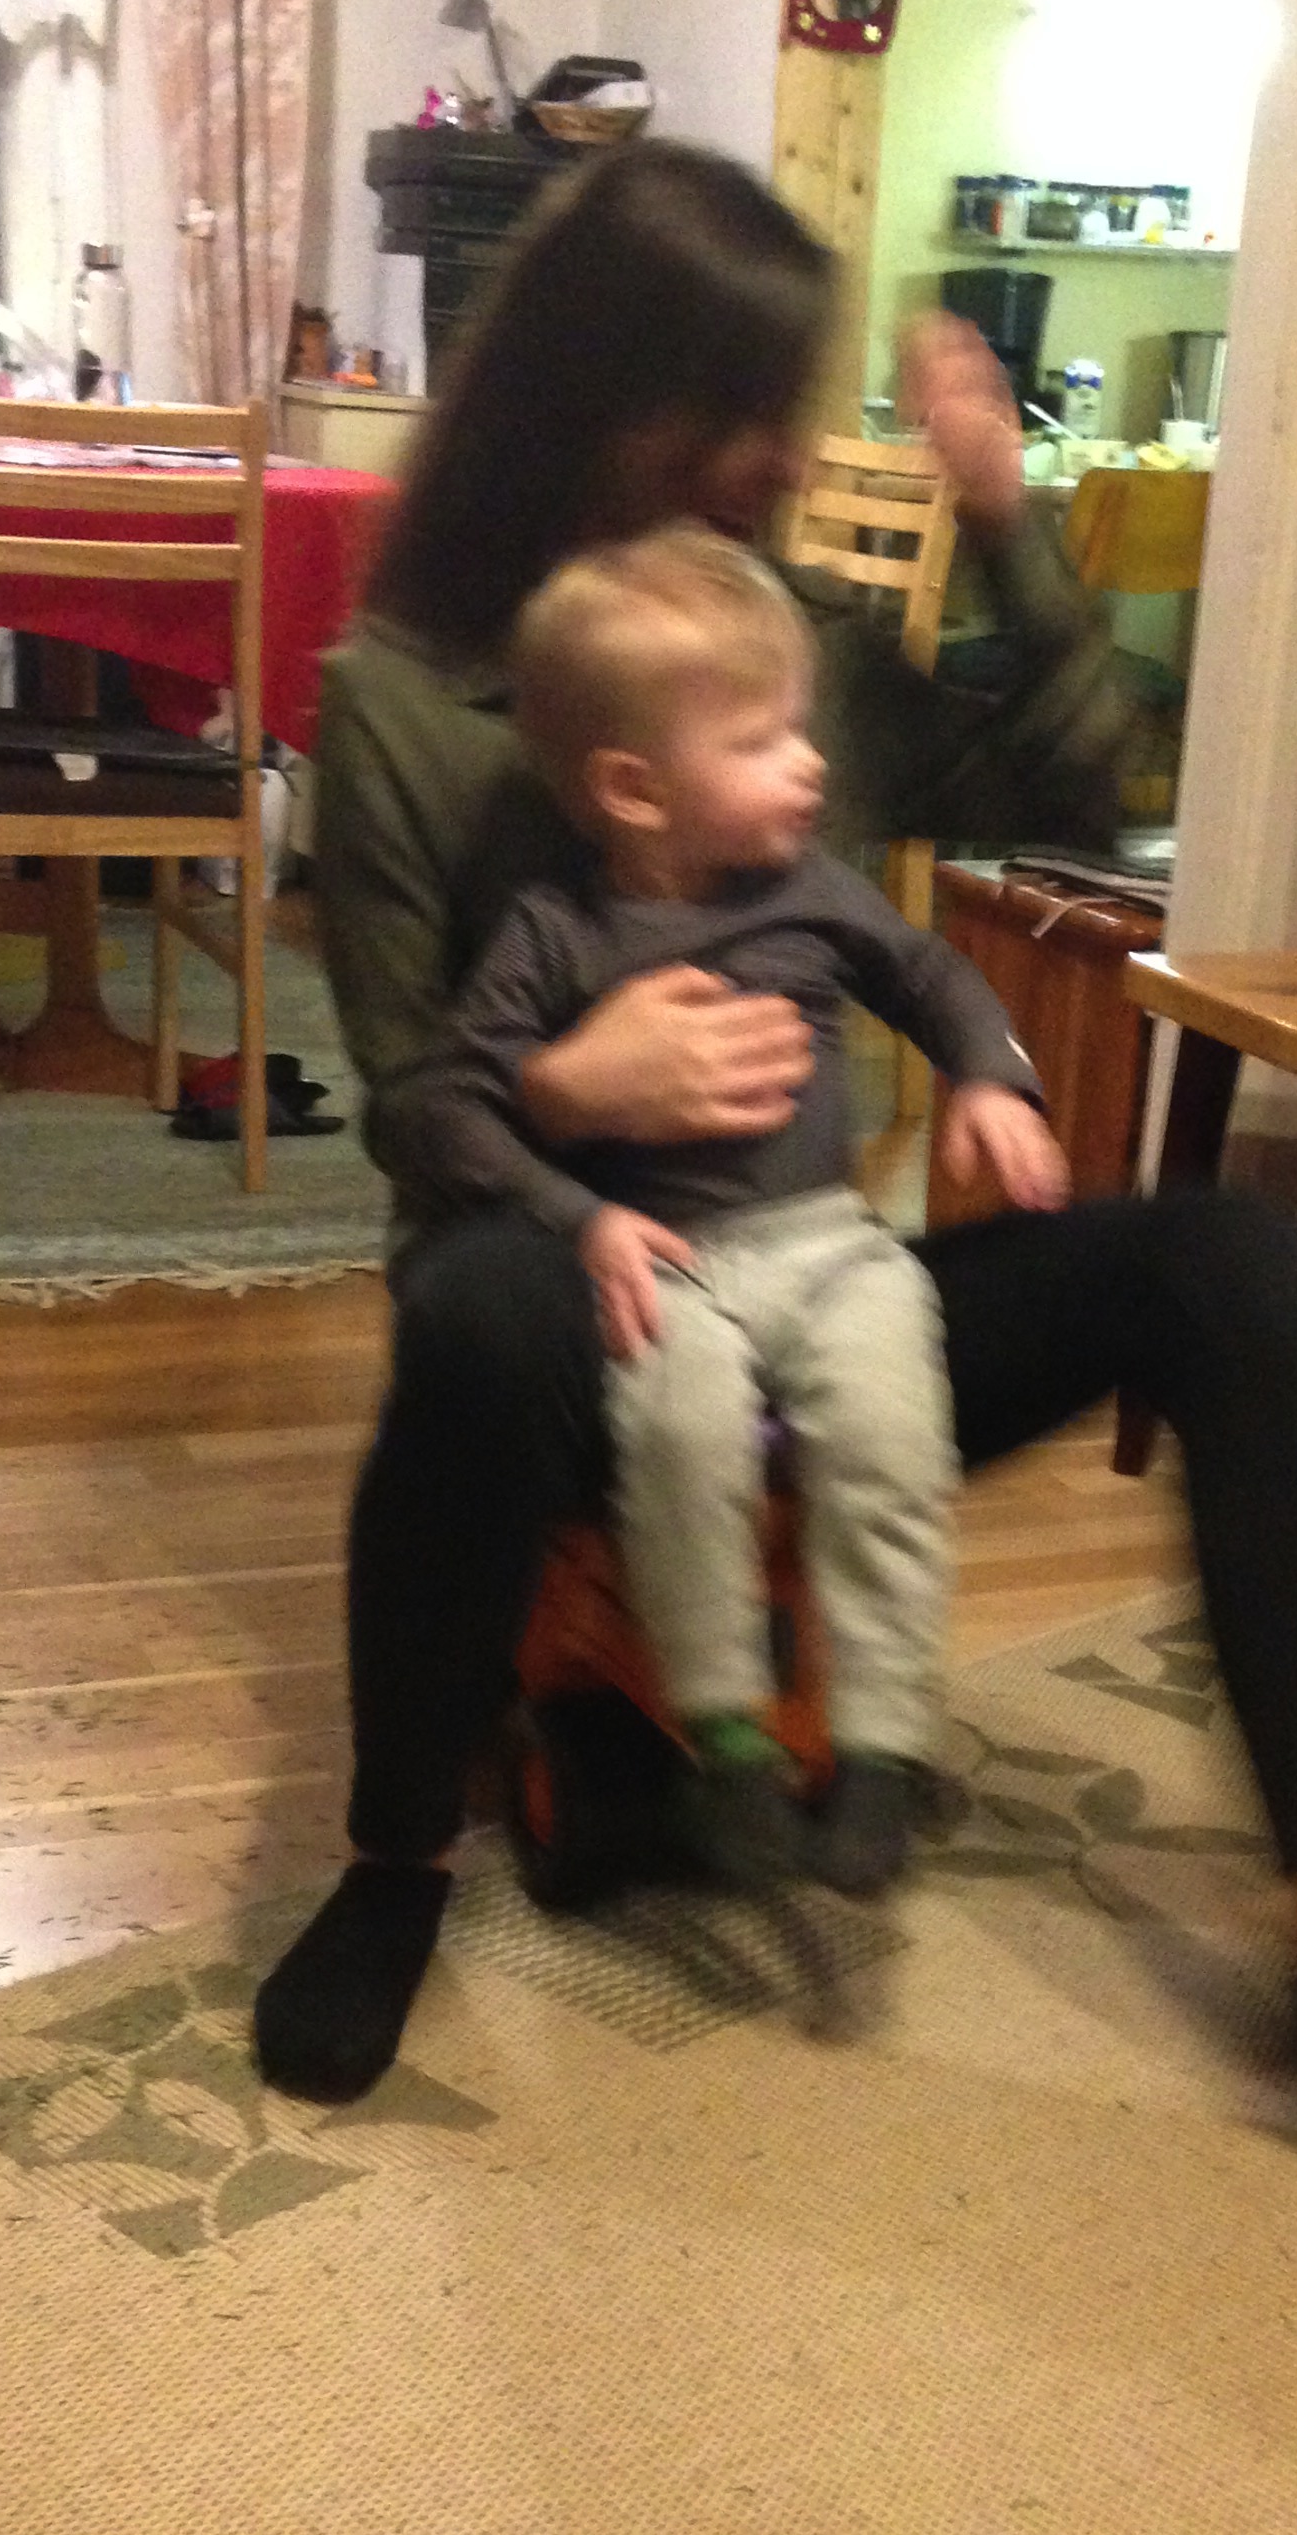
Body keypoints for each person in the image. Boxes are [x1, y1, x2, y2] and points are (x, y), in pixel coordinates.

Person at [255, 137, 1297, 2125]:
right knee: (469, 1310)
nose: (790, 456)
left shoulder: (779, 644)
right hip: (572, 1304)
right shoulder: (403, 698)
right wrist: (567, 1088)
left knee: (1225, 1256)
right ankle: (392, 1868)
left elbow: (1072, 784)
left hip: (817, 1289)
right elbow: (405, 1114)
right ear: (603, 399)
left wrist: (1002, 515)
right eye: (745, 412)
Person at [389, 525, 1071, 1896]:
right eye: (760, 741)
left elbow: (935, 977)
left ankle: (877, 1745)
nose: (809, 764)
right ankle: (728, 1741)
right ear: (633, 789)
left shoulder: (819, 895)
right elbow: (454, 1106)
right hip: (673, 1264)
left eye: (799, 729)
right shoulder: (554, 933)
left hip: (832, 1246)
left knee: (890, 1433)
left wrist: (993, 1079)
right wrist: (581, 1216)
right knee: (682, 1434)